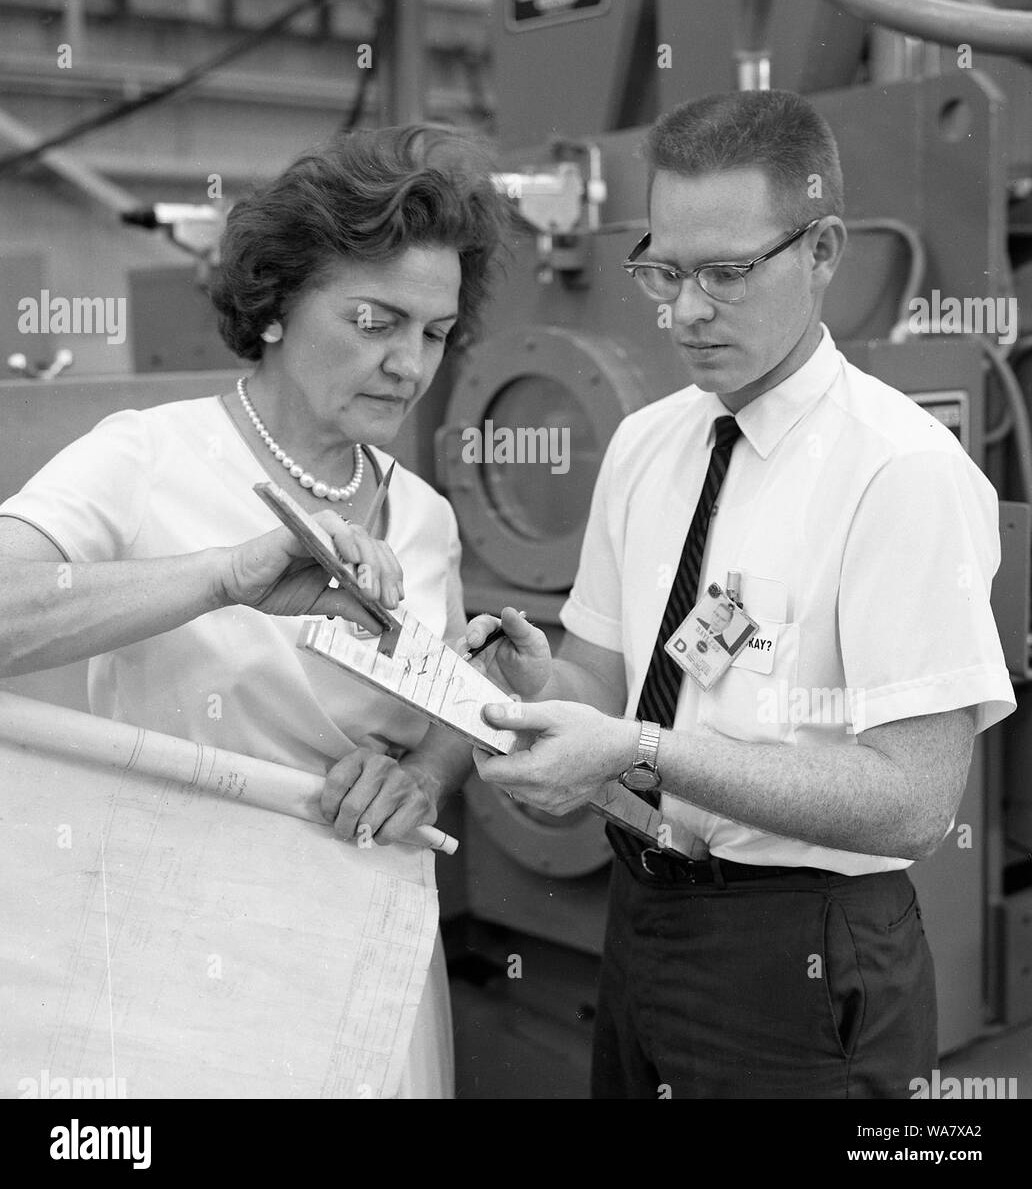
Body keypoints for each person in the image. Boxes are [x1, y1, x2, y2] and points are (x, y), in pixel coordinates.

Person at [466, 89, 1015, 1099]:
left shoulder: (899, 471)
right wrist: (545, 687)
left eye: (725, 273)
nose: (686, 310)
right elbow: (602, 671)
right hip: (644, 917)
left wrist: (640, 747)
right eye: (665, 272)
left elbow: (914, 801)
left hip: (803, 952)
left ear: (823, 250)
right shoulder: (645, 444)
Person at [0, 124, 507, 1099]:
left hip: (363, 946)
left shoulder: (426, 518)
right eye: (375, 320)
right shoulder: (149, 458)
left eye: (435, 333)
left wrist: (426, 775)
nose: (410, 362)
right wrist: (224, 575)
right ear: (275, 306)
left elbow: (445, 707)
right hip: (170, 957)